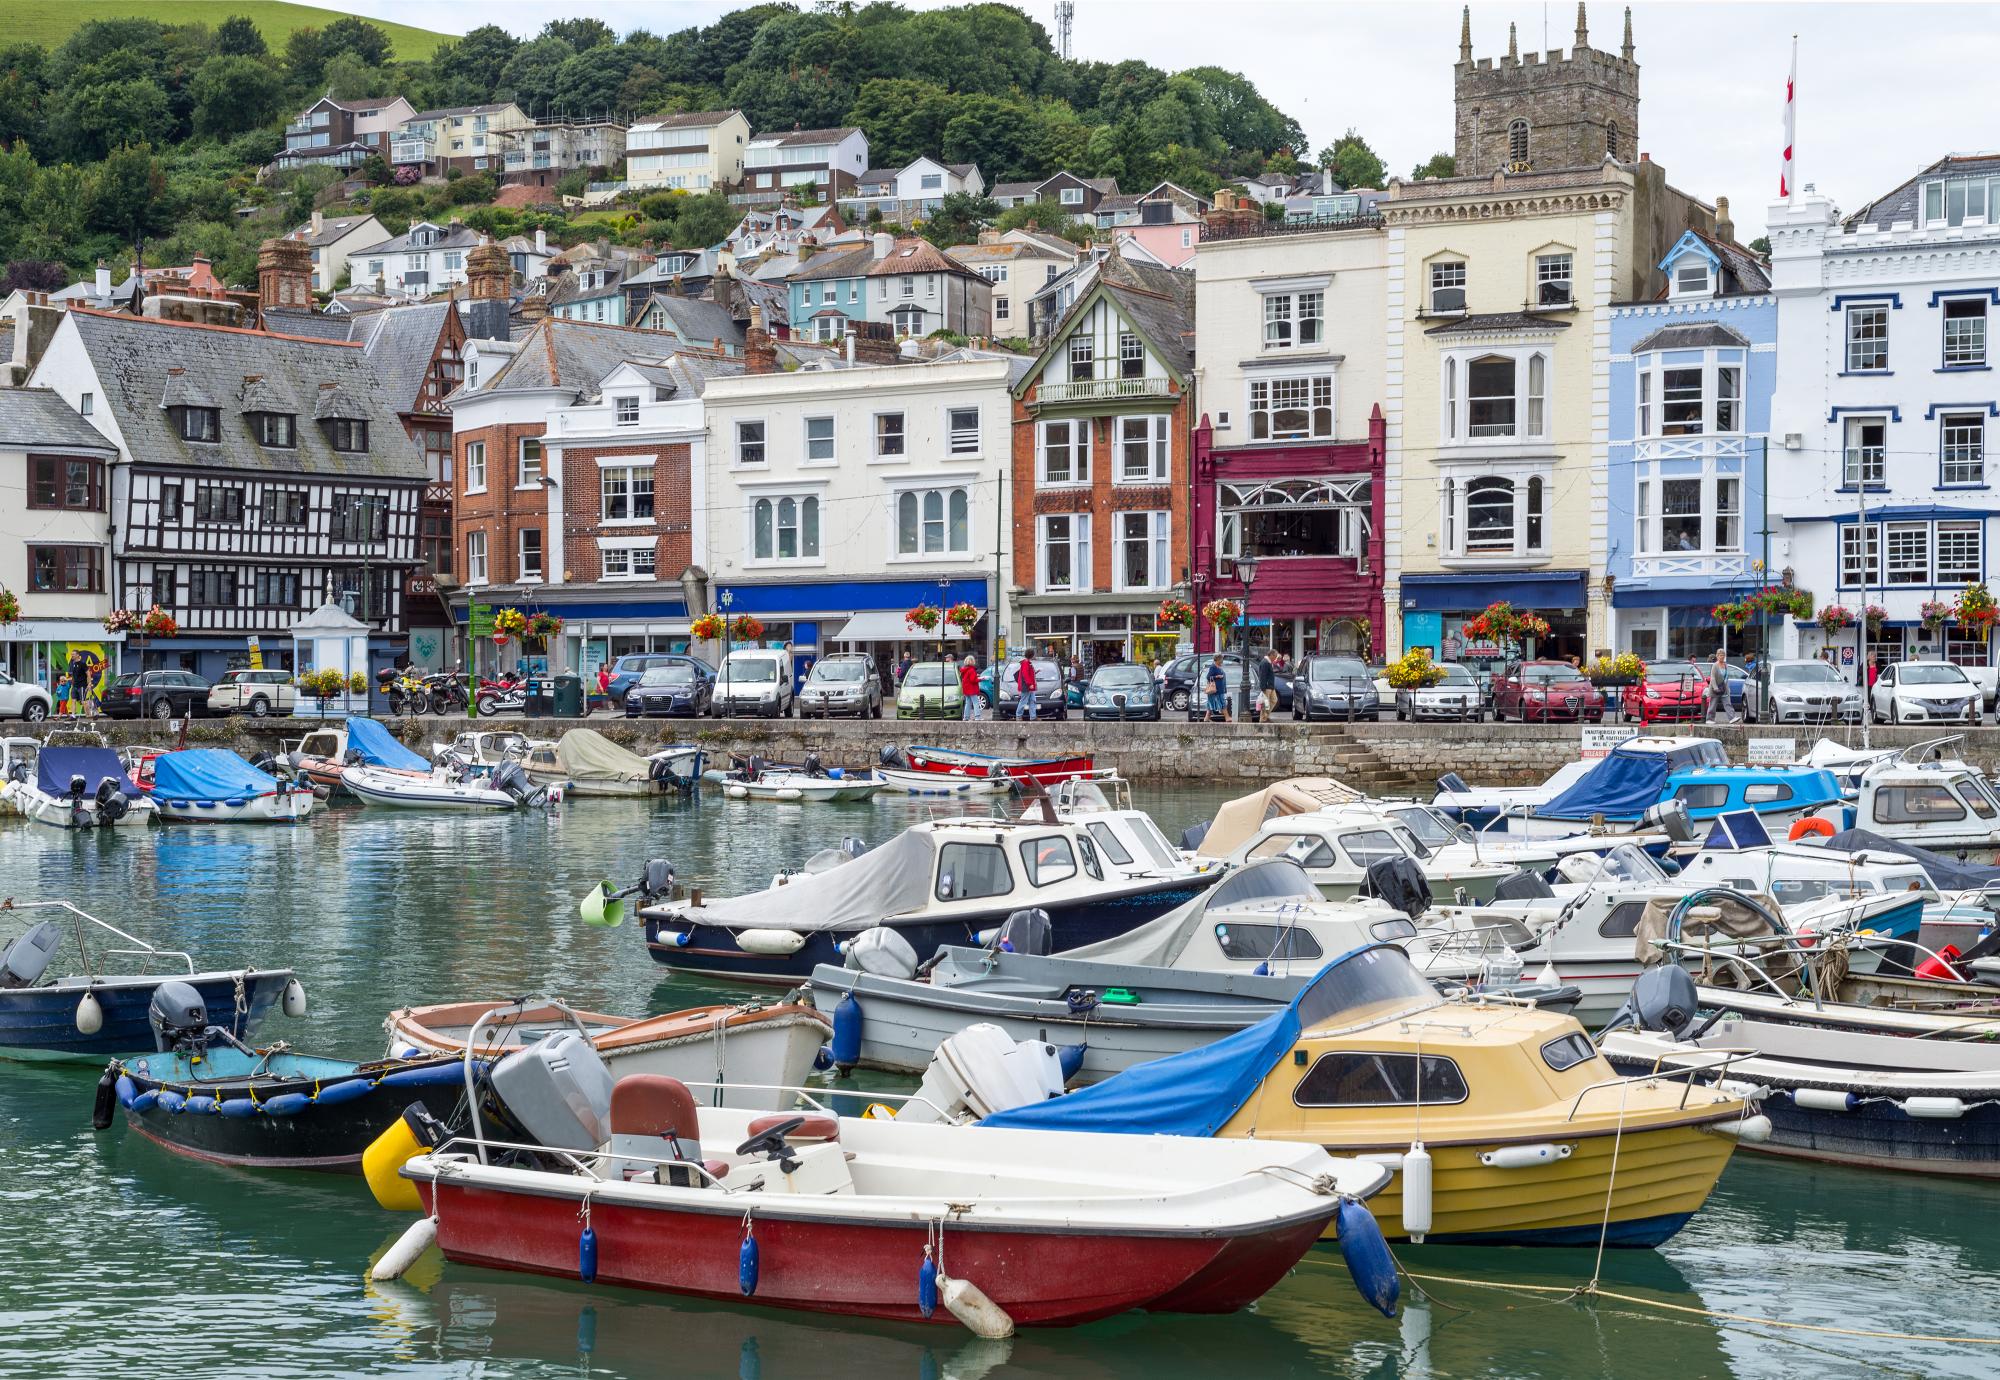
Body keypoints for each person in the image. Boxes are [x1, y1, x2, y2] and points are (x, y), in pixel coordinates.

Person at [1203, 654, 1229, 722]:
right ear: (1217, 659)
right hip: (1215, 689)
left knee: (1211, 703)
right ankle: (1227, 717)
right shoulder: (1213, 667)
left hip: (1220, 689)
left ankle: (1206, 718)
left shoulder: (1219, 666)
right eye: (1221, 659)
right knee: (1222, 703)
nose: (1222, 660)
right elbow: (1208, 677)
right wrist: (1217, 677)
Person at [1013, 655, 1038, 720]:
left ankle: (1033, 716)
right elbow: (1026, 675)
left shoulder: (1026, 663)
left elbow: (1027, 674)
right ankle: (1019, 715)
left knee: (1031, 701)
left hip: (1028, 686)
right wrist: (1030, 684)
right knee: (1024, 701)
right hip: (1027, 687)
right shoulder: (1026, 663)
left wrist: (1036, 672)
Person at [958, 655, 981, 721]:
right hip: (972, 689)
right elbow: (973, 680)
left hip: (966, 689)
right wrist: (981, 679)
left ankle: (966, 717)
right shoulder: (971, 669)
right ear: (972, 661)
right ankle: (977, 716)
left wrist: (976, 675)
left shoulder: (964, 669)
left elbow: (967, 678)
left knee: (967, 703)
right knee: (976, 702)